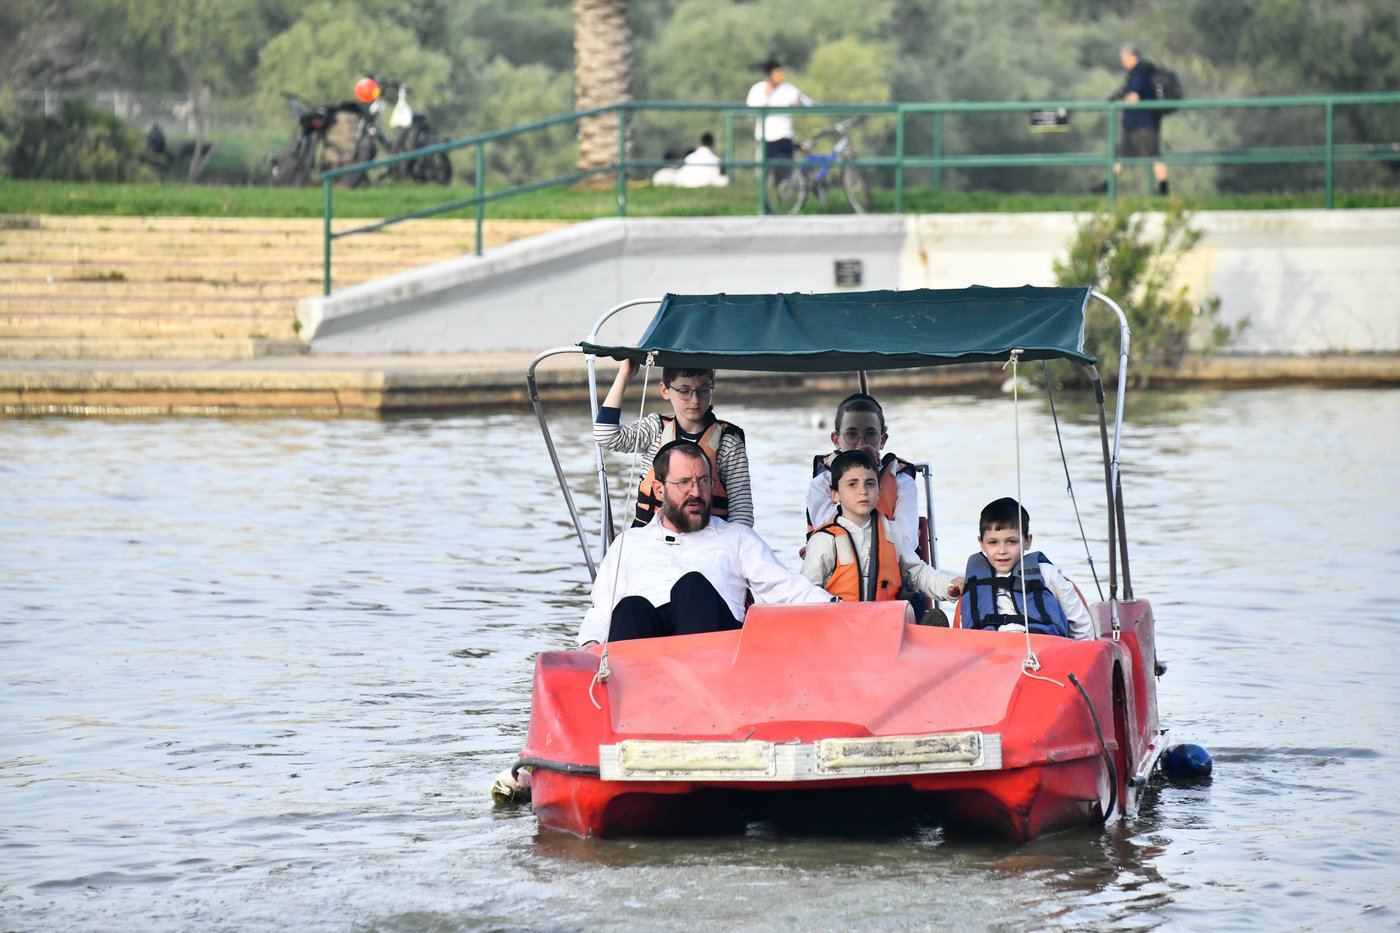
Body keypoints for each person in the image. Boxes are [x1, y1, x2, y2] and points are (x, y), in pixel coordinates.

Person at [578, 441, 832, 646]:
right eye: (684, 483)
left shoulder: (737, 537)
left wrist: (842, 610)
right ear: (659, 490)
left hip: (716, 653)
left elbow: (789, 592)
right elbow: (601, 613)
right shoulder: (629, 542)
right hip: (646, 658)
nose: (696, 492)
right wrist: (588, 647)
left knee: (692, 586)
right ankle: (623, 701)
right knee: (630, 607)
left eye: (703, 481)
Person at [595, 359, 753, 527]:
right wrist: (624, 375)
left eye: (704, 390)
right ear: (665, 390)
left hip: (708, 542)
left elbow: (742, 513)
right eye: (684, 391)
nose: (695, 400)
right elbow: (606, 436)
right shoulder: (654, 429)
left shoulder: (728, 442)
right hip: (652, 539)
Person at [802, 451, 963, 605]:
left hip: (886, 623)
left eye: (870, 484)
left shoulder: (892, 532)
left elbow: (918, 573)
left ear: (879, 490)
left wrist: (947, 587)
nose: (863, 491)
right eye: (853, 484)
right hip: (841, 626)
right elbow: (806, 592)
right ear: (835, 494)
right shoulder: (824, 540)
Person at [958, 497, 1095, 640]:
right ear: (981, 543)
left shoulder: (1047, 574)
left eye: (1012, 542)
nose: (1002, 550)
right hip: (989, 652)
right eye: (993, 542)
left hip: (1041, 651)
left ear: (1028, 541)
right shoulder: (974, 580)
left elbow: (1080, 623)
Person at [806, 393, 920, 545]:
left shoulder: (902, 482)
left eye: (871, 435)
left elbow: (907, 541)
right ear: (836, 440)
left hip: (891, 565)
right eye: (851, 435)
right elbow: (828, 538)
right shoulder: (820, 484)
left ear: (882, 440)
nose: (861, 444)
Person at [1107, 42, 1169, 196]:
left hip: (1142, 123)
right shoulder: (1143, 71)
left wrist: (1119, 102)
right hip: (1135, 123)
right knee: (1121, 156)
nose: (1122, 61)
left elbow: (1134, 97)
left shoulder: (1140, 72)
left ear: (1129, 57)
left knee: (1153, 155)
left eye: (1123, 58)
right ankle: (1108, 187)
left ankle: (1163, 189)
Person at [745, 58, 812, 181]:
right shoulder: (758, 89)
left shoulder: (788, 89)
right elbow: (750, 114)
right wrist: (767, 94)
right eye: (778, 72)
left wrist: (800, 101)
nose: (781, 75)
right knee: (763, 173)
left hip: (784, 137)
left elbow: (808, 103)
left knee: (785, 174)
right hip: (765, 138)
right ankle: (764, 198)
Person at [652, 132, 729, 188]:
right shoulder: (716, 160)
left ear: (700, 143)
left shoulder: (689, 158)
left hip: (687, 184)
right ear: (713, 144)